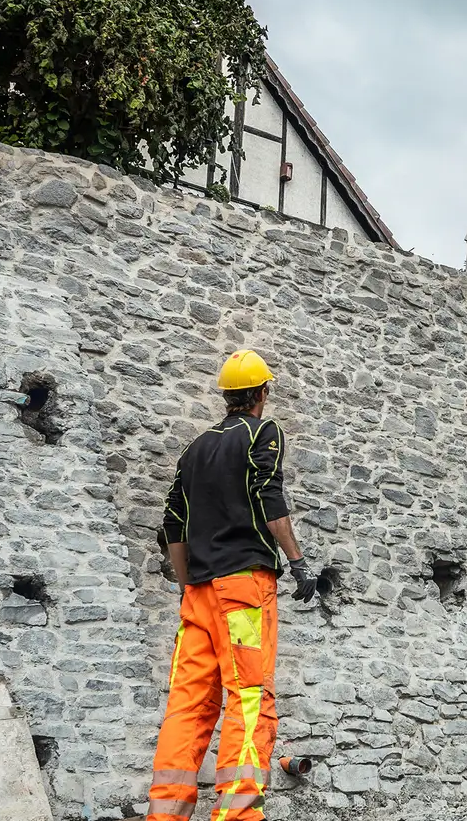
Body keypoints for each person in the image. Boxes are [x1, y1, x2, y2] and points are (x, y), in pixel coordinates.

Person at [147, 350, 318, 821]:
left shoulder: (194, 449)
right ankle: (237, 816)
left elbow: (173, 523)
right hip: (243, 589)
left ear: (226, 396)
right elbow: (268, 497)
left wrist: (188, 586)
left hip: (198, 595)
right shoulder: (263, 432)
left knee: (188, 704)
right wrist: (298, 562)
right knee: (249, 697)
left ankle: (165, 814)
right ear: (263, 392)